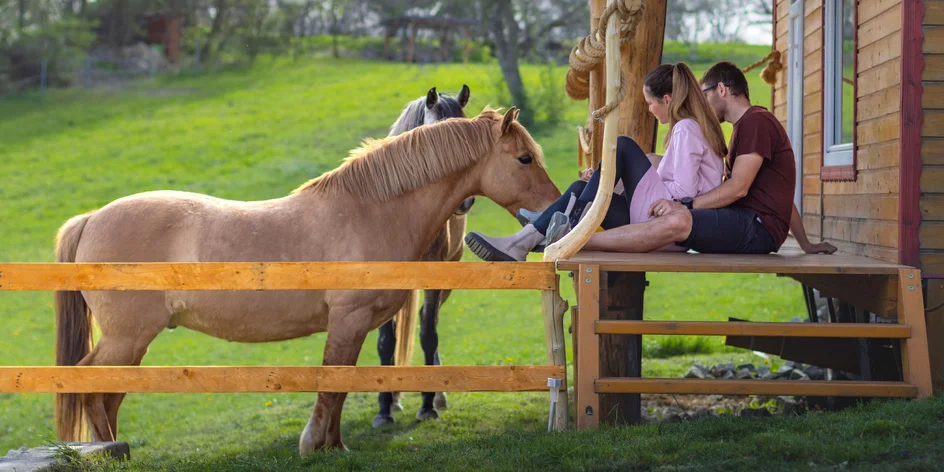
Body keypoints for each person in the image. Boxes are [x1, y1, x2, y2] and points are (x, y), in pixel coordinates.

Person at [564, 61, 836, 256]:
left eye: (703, 93)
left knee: (680, 220)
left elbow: (739, 187)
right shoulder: (746, 128)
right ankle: (577, 233)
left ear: (721, 90)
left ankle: (583, 241)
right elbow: (781, 195)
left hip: (756, 229)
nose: (701, 102)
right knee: (676, 213)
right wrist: (806, 244)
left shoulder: (756, 122)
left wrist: (685, 204)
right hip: (754, 225)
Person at [465, 62, 728, 262]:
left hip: (669, 225)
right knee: (581, 189)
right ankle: (524, 240)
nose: (649, 110)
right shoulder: (692, 128)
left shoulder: (686, 129)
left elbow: (683, 194)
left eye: (650, 103)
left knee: (623, 145)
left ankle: (559, 222)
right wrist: (607, 178)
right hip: (662, 219)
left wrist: (614, 177)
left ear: (667, 100)